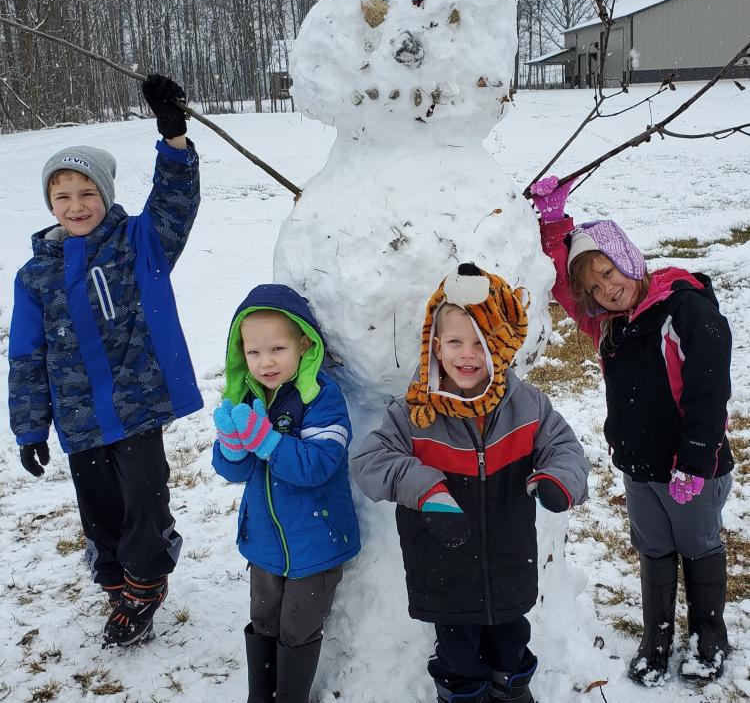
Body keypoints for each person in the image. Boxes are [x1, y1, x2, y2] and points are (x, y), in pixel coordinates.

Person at [8, 74, 202, 647]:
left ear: (106, 196)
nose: (76, 205)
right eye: (62, 196)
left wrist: (173, 138)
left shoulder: (137, 243)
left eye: (87, 193)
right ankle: (116, 580)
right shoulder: (34, 275)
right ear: (50, 202)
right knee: (100, 512)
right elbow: (26, 356)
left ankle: (145, 585)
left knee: (145, 500)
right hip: (77, 418)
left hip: (138, 407)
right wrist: (28, 428)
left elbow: (174, 204)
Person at [351, 263, 589, 703]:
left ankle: (513, 690)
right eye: (456, 342)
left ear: (498, 345)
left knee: (512, 639)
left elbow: (565, 447)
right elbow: (370, 461)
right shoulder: (415, 413)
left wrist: (557, 479)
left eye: (480, 343)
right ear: (436, 347)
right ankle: (461, 694)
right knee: (458, 652)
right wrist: (427, 491)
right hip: (444, 568)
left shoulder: (524, 404)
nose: (468, 355)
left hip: (508, 561)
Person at [532, 175, 734, 683]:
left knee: (698, 547)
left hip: (692, 466)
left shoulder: (686, 309)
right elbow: (564, 288)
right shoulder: (609, 323)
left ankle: (709, 636)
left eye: (609, 271)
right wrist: (554, 228)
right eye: (595, 286)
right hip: (640, 467)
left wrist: (693, 464)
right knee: (654, 549)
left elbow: (709, 394)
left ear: (629, 255)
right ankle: (657, 637)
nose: (607, 288)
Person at [211, 284, 361, 703]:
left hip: (315, 540)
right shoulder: (248, 394)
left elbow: (319, 465)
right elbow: (231, 470)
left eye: (277, 348)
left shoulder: (319, 397)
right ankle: (260, 694)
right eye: (254, 352)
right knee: (264, 618)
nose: (265, 362)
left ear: (304, 344)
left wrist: (267, 441)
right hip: (264, 540)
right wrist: (232, 444)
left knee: (298, 626)